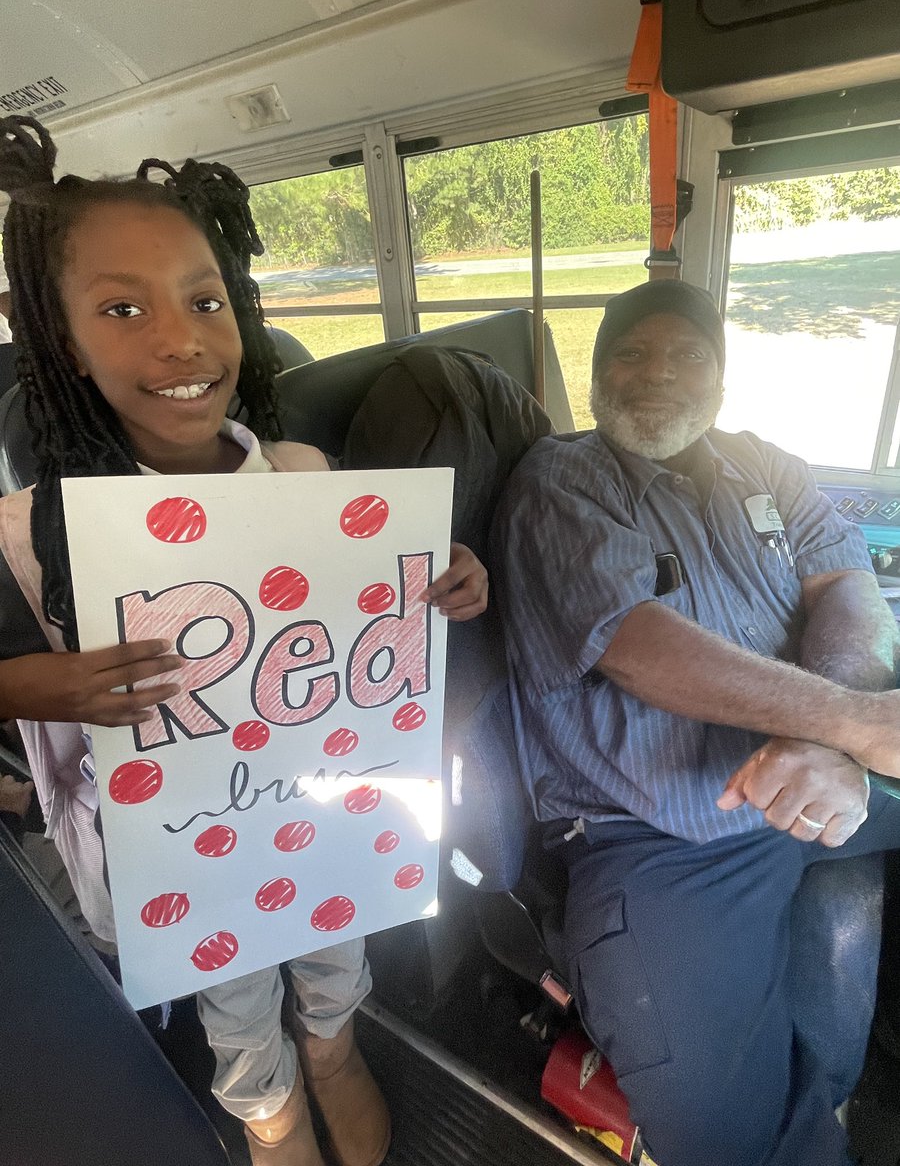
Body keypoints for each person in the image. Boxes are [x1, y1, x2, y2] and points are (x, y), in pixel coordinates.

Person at [0, 114, 488, 1166]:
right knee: (228, 975)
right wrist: (57, 683)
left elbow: (381, 598)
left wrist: (447, 578)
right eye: (122, 309)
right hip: (187, 828)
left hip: (325, 800)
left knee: (330, 938)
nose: (180, 338)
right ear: (61, 341)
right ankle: (262, 1100)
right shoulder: (38, 529)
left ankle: (332, 1047)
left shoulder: (306, 478)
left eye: (207, 300)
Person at [492, 278, 900, 1166]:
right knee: (735, 1149)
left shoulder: (765, 464)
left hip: (827, 767)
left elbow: (848, 586)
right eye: (630, 354)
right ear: (597, 376)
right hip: (665, 837)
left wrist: (829, 741)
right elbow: (632, 643)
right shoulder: (562, 479)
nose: (656, 374)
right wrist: (856, 721)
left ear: (720, 375)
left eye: (686, 354)